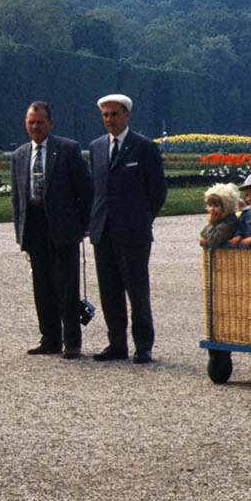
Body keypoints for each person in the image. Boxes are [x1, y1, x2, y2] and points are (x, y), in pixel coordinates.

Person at [11, 101, 95, 359]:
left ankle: (72, 341)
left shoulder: (67, 150)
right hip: (35, 224)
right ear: (26, 124)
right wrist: (20, 233)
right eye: (31, 122)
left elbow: (86, 191)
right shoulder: (20, 155)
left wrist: (83, 227)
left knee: (66, 285)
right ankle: (49, 338)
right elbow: (17, 198)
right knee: (42, 285)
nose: (35, 126)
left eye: (40, 122)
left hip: (63, 225)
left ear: (50, 123)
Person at [88, 93, 167, 364]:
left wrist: (143, 219)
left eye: (114, 114)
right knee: (109, 291)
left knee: (137, 291)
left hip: (133, 232)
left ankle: (143, 345)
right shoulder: (97, 147)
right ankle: (116, 343)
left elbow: (157, 191)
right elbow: (95, 191)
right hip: (104, 231)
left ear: (127, 115)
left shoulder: (144, 147)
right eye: (105, 115)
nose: (109, 120)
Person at [199, 182, 242, 247]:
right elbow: (202, 233)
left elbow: (214, 240)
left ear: (226, 206)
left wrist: (211, 223)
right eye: (210, 205)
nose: (212, 209)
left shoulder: (229, 222)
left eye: (216, 206)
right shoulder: (219, 219)